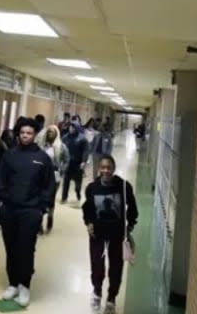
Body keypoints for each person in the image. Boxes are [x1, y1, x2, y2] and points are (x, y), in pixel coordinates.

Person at [0, 117, 55, 308]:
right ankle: (12, 284)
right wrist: (2, 203)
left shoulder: (43, 158)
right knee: (10, 247)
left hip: (31, 211)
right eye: (22, 133)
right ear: (18, 134)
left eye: (29, 133)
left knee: (26, 249)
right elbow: (0, 180)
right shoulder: (9, 156)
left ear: (35, 135)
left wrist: (41, 208)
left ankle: (24, 285)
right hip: (9, 210)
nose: (25, 136)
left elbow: (49, 186)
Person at [83, 156, 138, 314]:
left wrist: (130, 225)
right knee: (97, 266)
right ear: (99, 169)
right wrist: (89, 223)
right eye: (103, 167)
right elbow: (87, 209)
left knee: (116, 267)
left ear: (114, 168)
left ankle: (111, 298)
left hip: (117, 234)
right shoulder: (92, 188)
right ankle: (97, 292)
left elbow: (132, 207)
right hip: (98, 234)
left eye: (109, 167)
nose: (106, 170)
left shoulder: (123, 187)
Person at [39, 124, 69, 233]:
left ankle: (50, 218)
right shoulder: (42, 146)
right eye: (48, 131)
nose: (50, 133)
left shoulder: (61, 147)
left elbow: (66, 160)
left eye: (52, 132)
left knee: (50, 198)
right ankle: (39, 223)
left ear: (56, 134)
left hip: (54, 177)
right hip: (41, 176)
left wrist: (61, 170)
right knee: (40, 198)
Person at [61, 121, 89, 204]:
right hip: (68, 163)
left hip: (78, 164)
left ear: (77, 128)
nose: (71, 129)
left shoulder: (82, 139)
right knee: (66, 181)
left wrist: (83, 161)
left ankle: (78, 192)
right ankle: (64, 197)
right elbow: (61, 149)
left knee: (78, 182)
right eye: (70, 127)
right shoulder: (65, 137)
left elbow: (85, 151)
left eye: (73, 127)